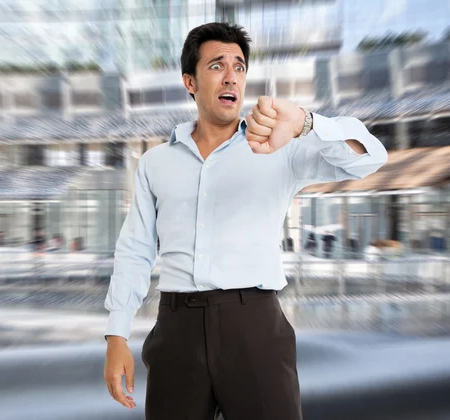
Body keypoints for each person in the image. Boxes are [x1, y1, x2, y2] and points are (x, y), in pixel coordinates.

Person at [103, 22, 388, 420]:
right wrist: (117, 333)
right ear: (190, 81)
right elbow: (134, 250)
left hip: (254, 326)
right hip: (176, 329)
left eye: (239, 66)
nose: (231, 76)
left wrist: (307, 123)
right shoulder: (155, 163)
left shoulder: (280, 148)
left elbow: (370, 157)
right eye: (217, 65)